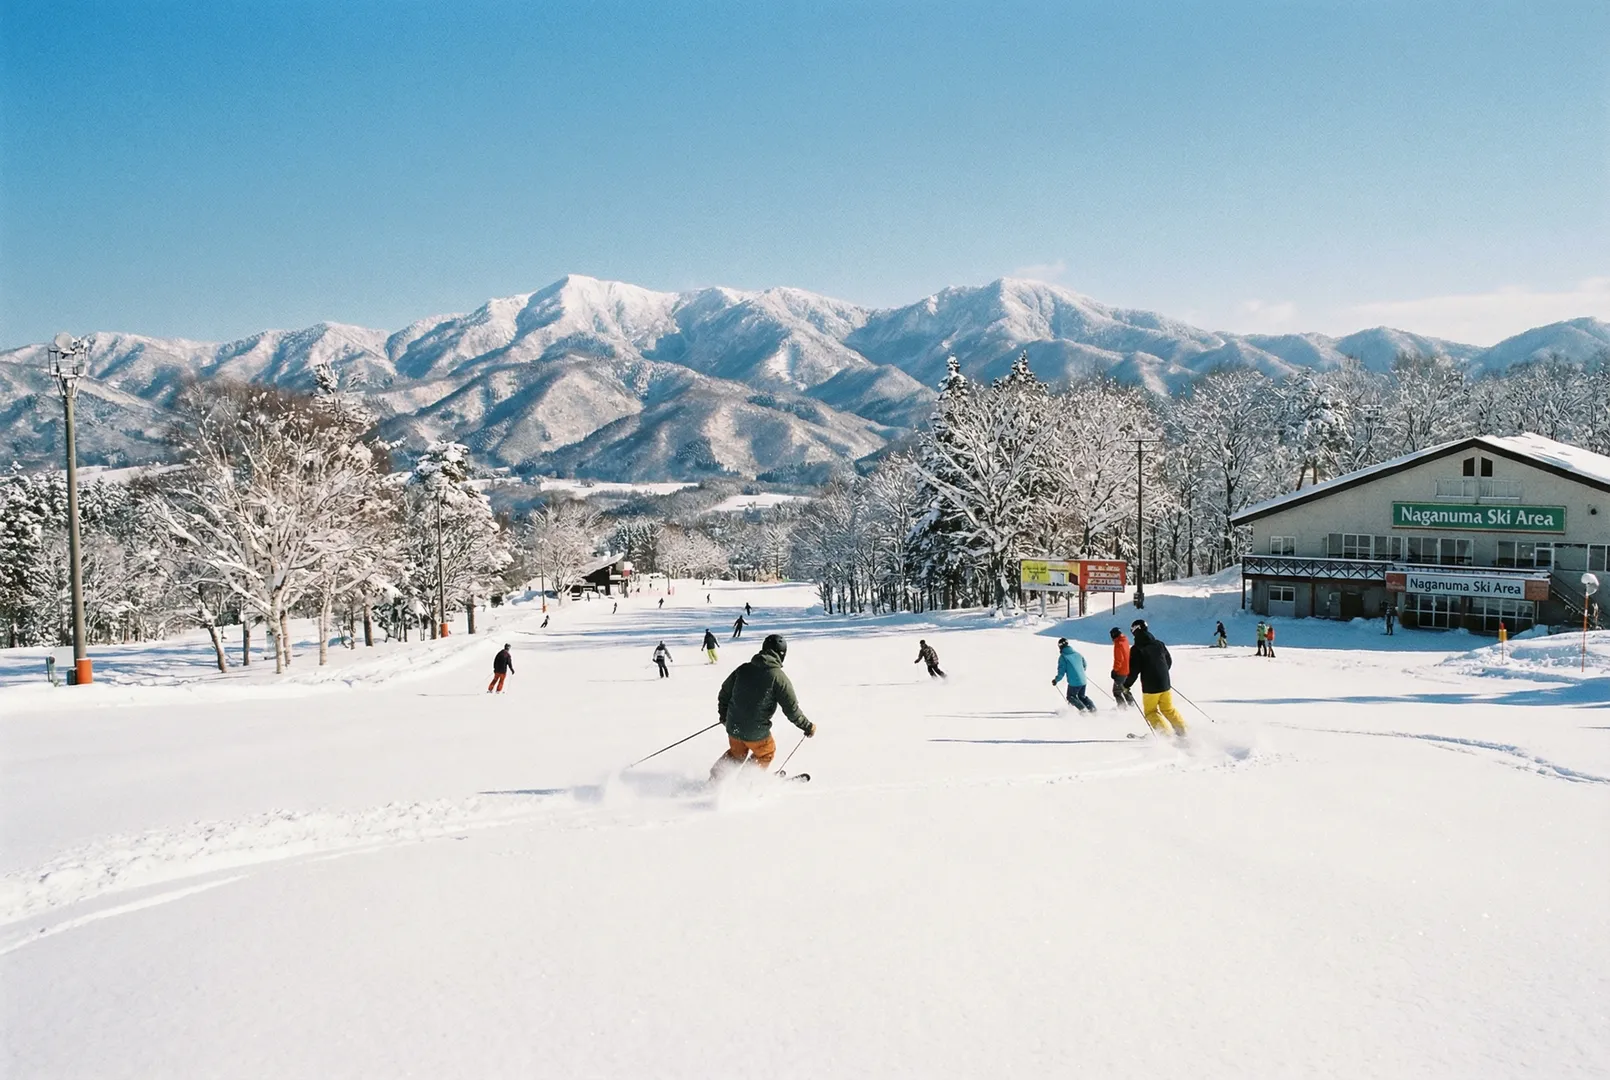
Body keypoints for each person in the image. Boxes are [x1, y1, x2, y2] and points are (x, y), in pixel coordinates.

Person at [712, 633, 816, 778]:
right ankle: (745, 783)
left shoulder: (743, 669)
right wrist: (807, 726)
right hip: (756, 731)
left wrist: (724, 715)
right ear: (782, 654)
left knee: (737, 754)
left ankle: (715, 778)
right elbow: (791, 710)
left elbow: (724, 693)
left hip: (733, 725)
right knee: (766, 752)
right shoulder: (778, 677)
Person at [1124, 619, 1187, 736]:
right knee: (1168, 709)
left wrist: (1126, 685)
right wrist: (1161, 674)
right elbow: (1168, 661)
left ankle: (1166, 735)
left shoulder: (1136, 649)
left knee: (1151, 712)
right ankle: (1183, 730)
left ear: (1136, 630)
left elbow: (1134, 671)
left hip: (1150, 687)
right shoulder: (1159, 644)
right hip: (1165, 684)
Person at [1051, 637, 1096, 713]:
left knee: (1070, 697)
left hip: (1074, 682)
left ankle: (1083, 710)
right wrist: (1080, 672)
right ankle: (1093, 709)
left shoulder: (1063, 657)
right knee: (1081, 696)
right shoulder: (1078, 654)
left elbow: (1061, 672)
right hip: (1083, 680)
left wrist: (1056, 680)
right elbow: (1084, 665)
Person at [1109, 628, 1136, 709]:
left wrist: (1115, 670)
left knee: (1116, 691)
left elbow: (1119, 659)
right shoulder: (1124, 640)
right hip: (1127, 669)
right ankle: (1132, 705)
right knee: (1124, 689)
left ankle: (1122, 708)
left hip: (1121, 671)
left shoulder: (1118, 644)